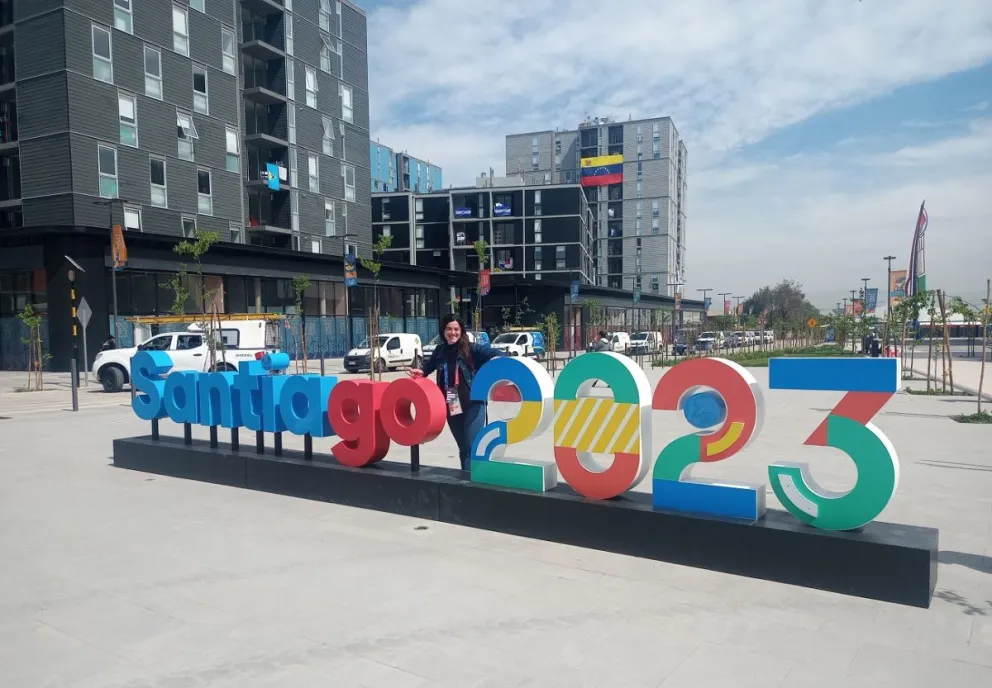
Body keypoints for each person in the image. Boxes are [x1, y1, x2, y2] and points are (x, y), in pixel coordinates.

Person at [408, 315, 503, 470]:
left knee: (473, 447)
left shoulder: (471, 348)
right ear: (443, 331)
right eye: (449, 329)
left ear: (462, 331)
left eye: (456, 329)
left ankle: (474, 483)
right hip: (452, 400)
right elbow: (429, 366)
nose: (452, 333)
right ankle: (465, 481)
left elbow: (495, 353)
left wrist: (499, 363)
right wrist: (421, 371)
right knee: (463, 447)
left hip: (473, 402)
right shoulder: (440, 350)